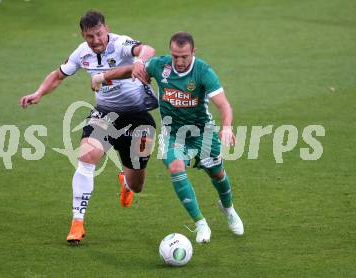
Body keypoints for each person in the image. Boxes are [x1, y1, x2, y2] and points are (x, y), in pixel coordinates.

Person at [19, 10, 157, 245]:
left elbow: (148, 49)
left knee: (137, 185)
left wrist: (140, 62)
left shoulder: (121, 43)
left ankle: (125, 181)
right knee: (87, 154)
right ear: (83, 36)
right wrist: (39, 92)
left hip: (139, 118)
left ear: (107, 29)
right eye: (89, 36)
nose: (95, 41)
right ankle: (77, 222)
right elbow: (59, 74)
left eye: (99, 34)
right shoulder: (82, 53)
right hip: (105, 114)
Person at [92, 32, 244, 243]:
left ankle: (228, 209)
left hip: (202, 132)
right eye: (175, 56)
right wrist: (103, 77)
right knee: (175, 167)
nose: (179, 62)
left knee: (217, 174)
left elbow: (223, 104)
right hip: (173, 134)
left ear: (193, 52)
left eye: (184, 56)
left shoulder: (203, 71)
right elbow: (131, 70)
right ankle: (200, 223)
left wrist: (226, 127)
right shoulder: (160, 65)